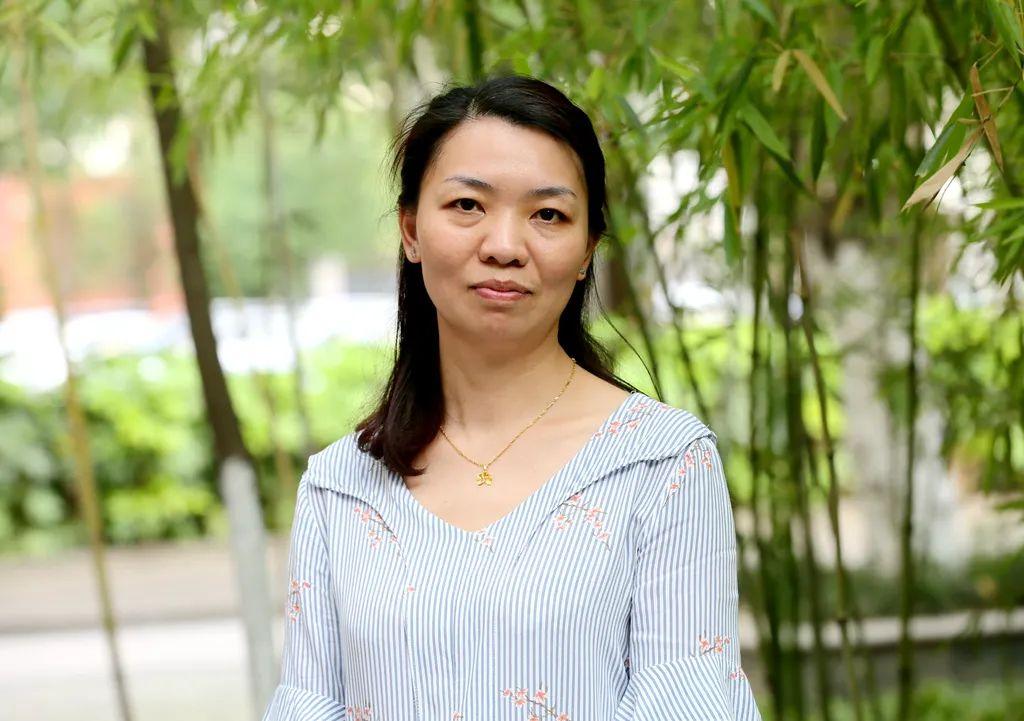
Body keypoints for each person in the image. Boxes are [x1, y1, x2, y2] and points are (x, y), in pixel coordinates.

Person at [261, 73, 763, 721]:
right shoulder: (342, 486)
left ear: (587, 251)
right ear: (411, 230)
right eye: (468, 205)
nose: (503, 247)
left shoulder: (661, 464)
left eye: (548, 215)